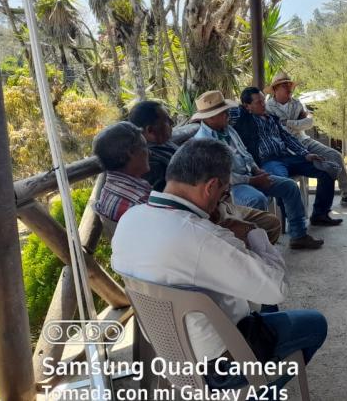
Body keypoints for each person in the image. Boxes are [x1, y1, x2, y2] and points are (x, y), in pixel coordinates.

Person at [111, 139, 327, 391]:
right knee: (314, 323)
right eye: (224, 191)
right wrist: (252, 232)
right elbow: (276, 287)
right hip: (216, 364)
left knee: (262, 300)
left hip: (168, 351)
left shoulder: (130, 219)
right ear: (211, 186)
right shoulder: (204, 237)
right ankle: (261, 393)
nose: (223, 199)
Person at [127, 100, 282, 244]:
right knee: (259, 229)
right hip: (202, 214)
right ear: (150, 130)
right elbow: (175, 209)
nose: (173, 123)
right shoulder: (149, 164)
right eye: (167, 121)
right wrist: (216, 215)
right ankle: (247, 264)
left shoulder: (167, 144)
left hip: (217, 201)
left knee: (271, 223)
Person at [191, 90, 325, 250]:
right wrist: (252, 180)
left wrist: (256, 170)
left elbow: (245, 153)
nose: (228, 114)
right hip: (231, 187)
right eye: (224, 112)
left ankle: (298, 235)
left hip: (250, 176)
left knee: (289, 186)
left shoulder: (228, 130)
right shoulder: (203, 142)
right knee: (257, 199)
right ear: (211, 117)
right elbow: (223, 178)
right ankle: (259, 248)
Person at [233, 86, 343, 227]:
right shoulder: (243, 117)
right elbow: (223, 113)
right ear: (247, 106)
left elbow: (288, 138)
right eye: (258, 102)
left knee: (327, 170)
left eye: (263, 100)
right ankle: (294, 226)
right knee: (286, 185)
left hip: (287, 157)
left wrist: (306, 154)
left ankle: (320, 214)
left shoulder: (272, 118)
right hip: (269, 162)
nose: (263, 104)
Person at [264, 72, 347, 208]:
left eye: (290, 85)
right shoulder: (268, 107)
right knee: (321, 168)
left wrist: (288, 123)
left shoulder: (297, 104)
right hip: (284, 148)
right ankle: (297, 213)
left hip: (303, 140)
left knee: (335, 155)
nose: (289, 88)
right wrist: (297, 123)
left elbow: (309, 122)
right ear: (276, 89)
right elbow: (278, 130)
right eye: (285, 85)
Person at [92, 122, 152, 222]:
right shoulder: (140, 201)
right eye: (145, 147)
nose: (150, 152)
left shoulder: (106, 191)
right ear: (131, 153)